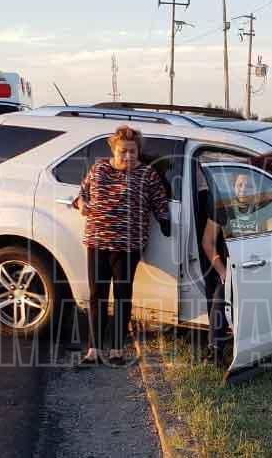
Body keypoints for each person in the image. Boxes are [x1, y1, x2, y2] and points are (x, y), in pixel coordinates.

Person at [74, 125, 171, 366]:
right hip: (97, 241)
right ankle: (93, 350)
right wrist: (81, 204)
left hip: (128, 245)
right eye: (123, 151)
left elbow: (159, 200)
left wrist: (164, 220)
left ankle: (117, 349)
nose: (128, 156)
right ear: (114, 150)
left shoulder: (147, 174)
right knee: (97, 295)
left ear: (138, 152)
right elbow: (81, 195)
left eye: (132, 152)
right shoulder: (99, 169)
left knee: (122, 295)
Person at [200, 172, 272, 366]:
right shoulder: (223, 208)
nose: (244, 189)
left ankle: (259, 348)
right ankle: (215, 350)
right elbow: (207, 243)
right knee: (220, 299)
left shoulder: (265, 208)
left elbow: (271, 240)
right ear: (233, 186)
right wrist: (222, 271)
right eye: (240, 185)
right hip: (231, 268)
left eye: (249, 186)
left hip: (256, 265)